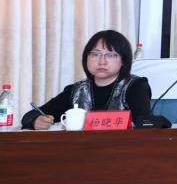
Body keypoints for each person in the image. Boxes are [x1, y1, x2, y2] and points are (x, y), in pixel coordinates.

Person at [22, 30, 152, 129]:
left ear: (123, 60)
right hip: (81, 151)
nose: (102, 61)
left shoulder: (135, 86)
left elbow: (146, 123)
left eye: (110, 55)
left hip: (122, 150)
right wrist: (35, 120)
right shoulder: (75, 90)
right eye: (95, 54)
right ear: (86, 58)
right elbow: (30, 116)